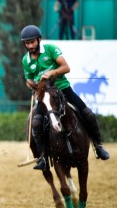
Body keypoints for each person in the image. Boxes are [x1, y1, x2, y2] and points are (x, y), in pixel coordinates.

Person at [20, 25, 109, 170]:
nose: (30, 46)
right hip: (43, 95)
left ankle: (98, 146)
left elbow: (66, 67)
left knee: (88, 113)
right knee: (35, 123)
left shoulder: (50, 49)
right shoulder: (26, 60)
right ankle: (42, 157)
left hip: (62, 89)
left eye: (32, 42)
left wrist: (51, 73)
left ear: (39, 40)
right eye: (27, 43)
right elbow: (28, 78)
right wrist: (31, 85)